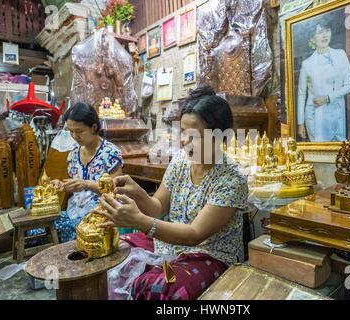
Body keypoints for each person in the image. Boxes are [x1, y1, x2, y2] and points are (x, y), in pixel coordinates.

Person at [99, 86, 248, 300]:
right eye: (183, 133)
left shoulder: (231, 179)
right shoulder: (181, 160)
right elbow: (158, 207)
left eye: (194, 136)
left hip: (207, 255)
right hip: (167, 243)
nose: (185, 142)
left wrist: (140, 221)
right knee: (115, 251)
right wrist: (137, 192)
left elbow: (195, 235)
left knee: (158, 286)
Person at [50, 102, 123, 242]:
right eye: (71, 131)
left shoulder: (111, 153)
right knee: (42, 229)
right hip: (73, 211)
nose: (74, 136)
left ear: (93, 127)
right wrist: (62, 185)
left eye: (79, 131)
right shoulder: (73, 154)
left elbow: (115, 191)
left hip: (99, 214)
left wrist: (87, 184)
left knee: (71, 232)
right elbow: (75, 186)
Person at [297, 20, 350, 142]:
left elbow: (349, 85)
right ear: (312, 38)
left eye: (327, 31)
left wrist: (328, 98)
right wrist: (300, 123)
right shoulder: (307, 64)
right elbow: (302, 94)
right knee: (319, 154)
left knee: (339, 154)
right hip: (315, 116)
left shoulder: (340, 55)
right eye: (320, 32)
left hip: (337, 113)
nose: (324, 35)